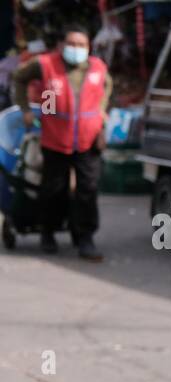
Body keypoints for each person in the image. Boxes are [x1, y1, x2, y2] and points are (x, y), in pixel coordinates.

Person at [10, 24, 112, 261]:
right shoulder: (46, 65)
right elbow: (19, 78)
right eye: (72, 44)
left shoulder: (97, 67)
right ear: (61, 46)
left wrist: (102, 112)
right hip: (55, 137)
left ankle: (85, 237)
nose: (76, 49)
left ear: (89, 47)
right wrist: (26, 110)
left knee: (88, 189)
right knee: (54, 189)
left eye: (82, 45)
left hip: (88, 140)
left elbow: (107, 87)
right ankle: (48, 232)